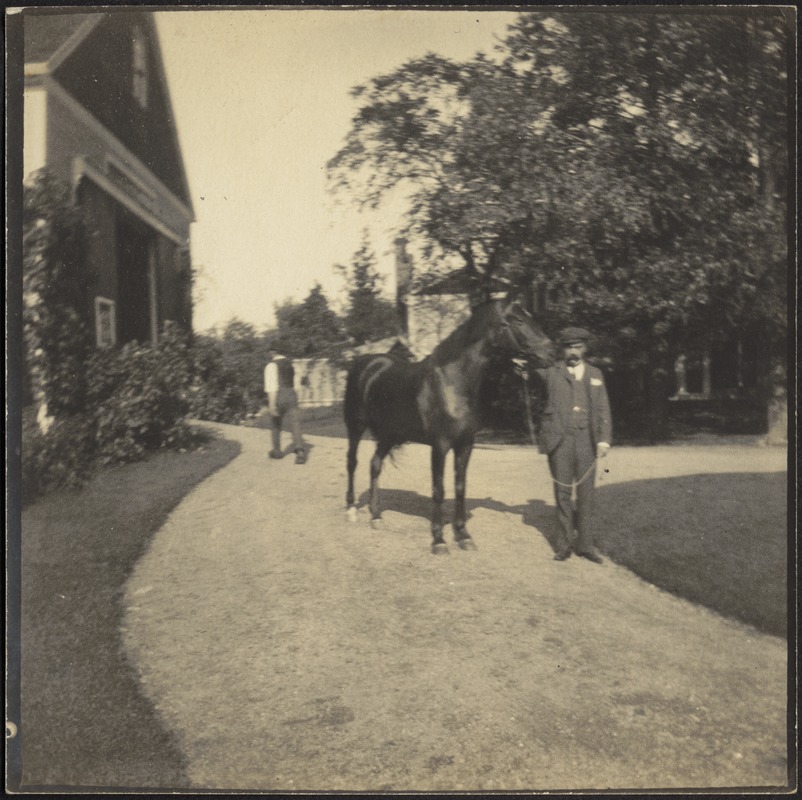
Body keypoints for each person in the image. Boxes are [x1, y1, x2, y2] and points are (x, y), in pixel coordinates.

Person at [529, 327, 612, 563]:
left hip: (587, 440)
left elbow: (603, 408)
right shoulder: (551, 373)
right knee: (563, 492)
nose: (573, 352)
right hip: (560, 440)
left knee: (586, 494)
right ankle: (563, 545)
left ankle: (585, 545)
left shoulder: (595, 374)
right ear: (562, 349)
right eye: (568, 347)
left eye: (577, 347)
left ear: (584, 348)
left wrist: (604, 440)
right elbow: (530, 366)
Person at [264, 347, 307, 465]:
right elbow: (297, 384)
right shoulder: (292, 364)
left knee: (276, 423)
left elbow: (271, 387)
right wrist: (296, 397)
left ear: (273, 352)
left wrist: (272, 404)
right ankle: (300, 452)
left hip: (279, 395)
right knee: (295, 423)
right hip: (292, 394)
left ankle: (277, 451)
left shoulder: (271, 366)